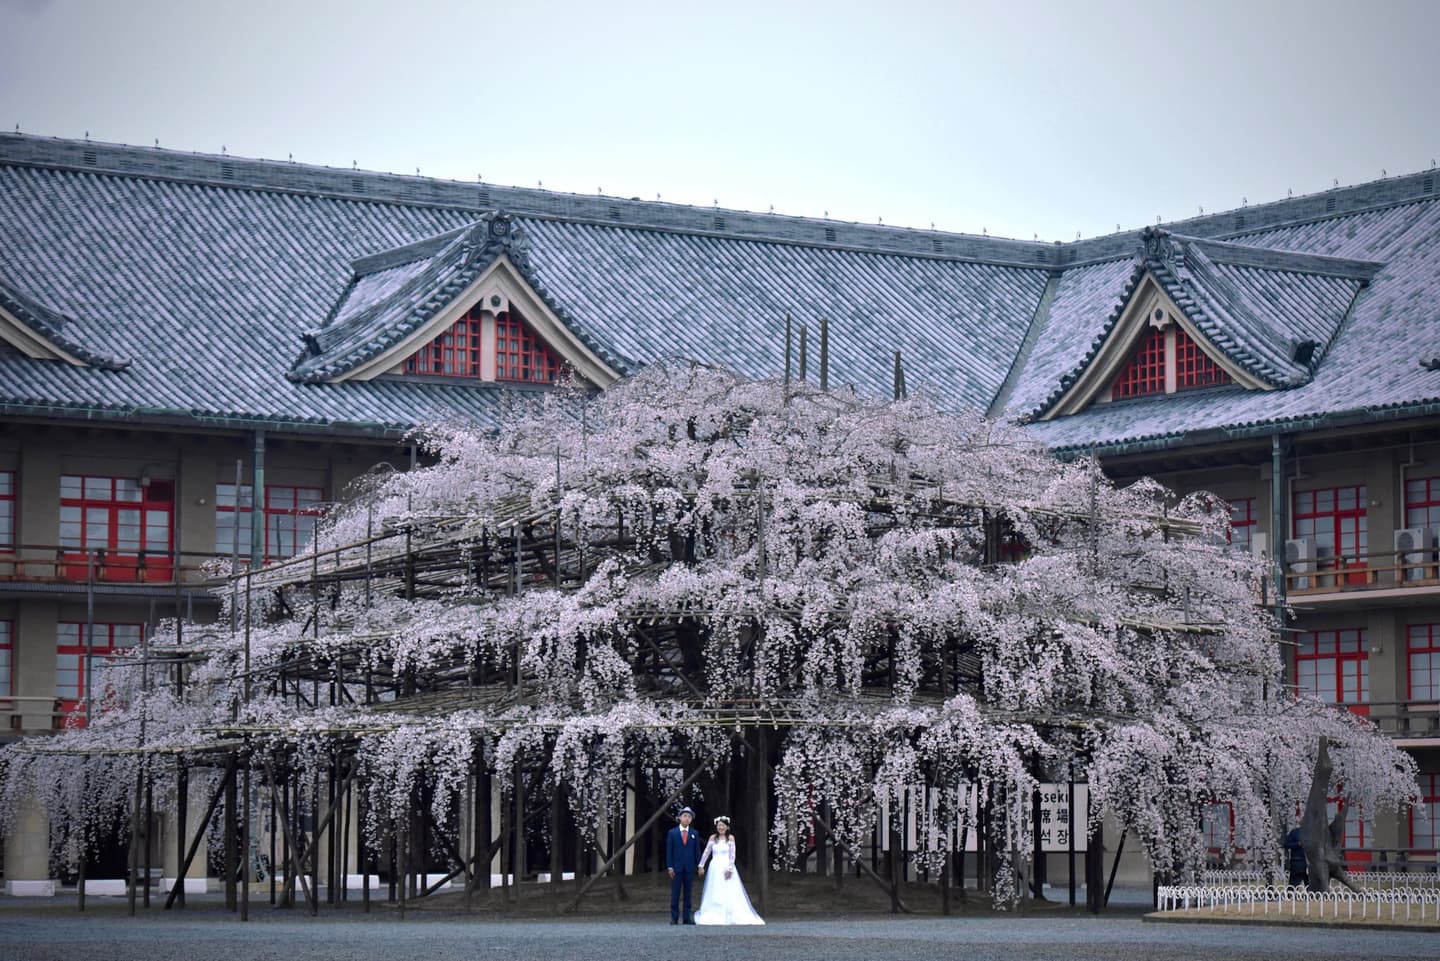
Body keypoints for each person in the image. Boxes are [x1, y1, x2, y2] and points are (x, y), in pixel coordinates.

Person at [694, 815, 765, 925]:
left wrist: (730, 868)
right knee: (715, 888)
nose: (721, 828)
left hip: (726, 865)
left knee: (729, 889)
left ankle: (730, 912)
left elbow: (732, 855)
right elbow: (706, 852)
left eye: (723, 826)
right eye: (719, 826)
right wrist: (701, 865)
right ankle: (714, 911)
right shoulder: (713, 838)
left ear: (727, 827)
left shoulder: (730, 838)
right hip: (715, 866)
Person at [666, 806, 703, 924]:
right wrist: (670, 866)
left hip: (689, 867)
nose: (687, 819)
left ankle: (687, 917)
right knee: (675, 893)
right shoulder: (672, 832)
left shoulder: (694, 833)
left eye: (689, 817)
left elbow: (697, 851)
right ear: (680, 818)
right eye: (685, 816)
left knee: (688, 893)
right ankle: (674, 917)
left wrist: (699, 865)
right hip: (676, 867)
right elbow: (669, 850)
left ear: (691, 820)